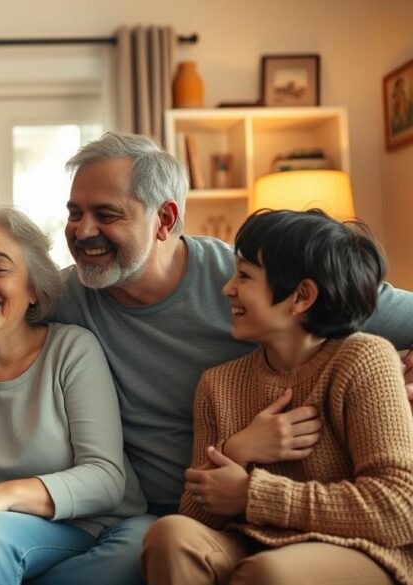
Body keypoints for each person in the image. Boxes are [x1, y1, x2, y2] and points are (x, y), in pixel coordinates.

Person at [54, 132, 413, 518]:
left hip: (252, 507)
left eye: (105, 215)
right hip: (145, 516)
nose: (83, 230)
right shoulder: (62, 295)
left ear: (165, 219)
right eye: (75, 213)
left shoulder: (252, 281)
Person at [142, 209, 413, 584]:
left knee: (270, 572)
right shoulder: (217, 384)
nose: (227, 289)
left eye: (245, 276)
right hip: (250, 544)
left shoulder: (364, 359)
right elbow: (193, 516)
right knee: (170, 535)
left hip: (359, 550)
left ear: (301, 296)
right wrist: (239, 450)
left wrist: (253, 495)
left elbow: (400, 508)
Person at [0, 201, 149, 585]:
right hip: (4, 537)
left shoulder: (72, 350)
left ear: (34, 290)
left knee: (146, 542)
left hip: (104, 529)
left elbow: (106, 478)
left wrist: (2, 495)